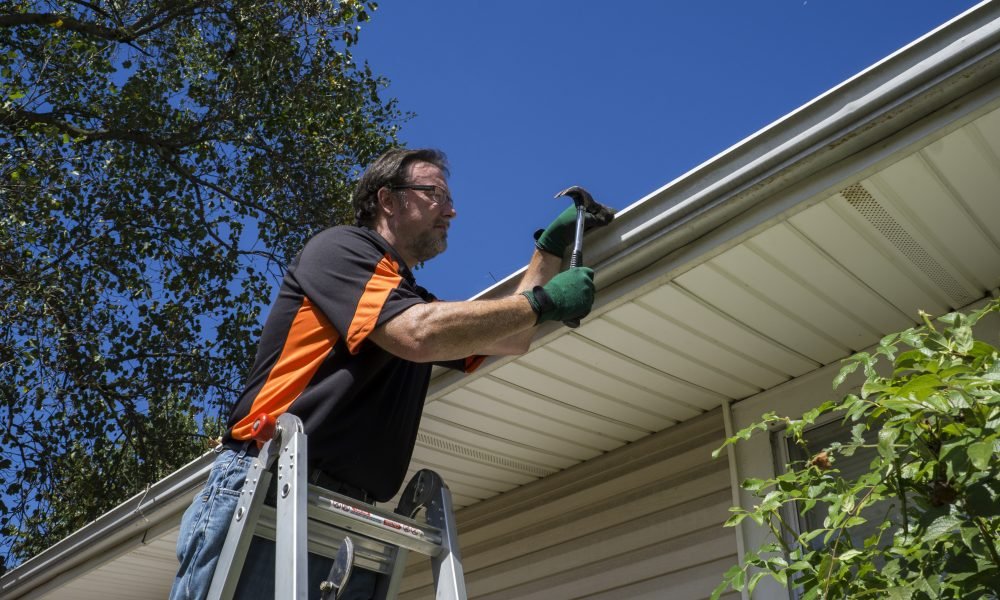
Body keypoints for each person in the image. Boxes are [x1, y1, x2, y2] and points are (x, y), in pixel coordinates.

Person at [169, 148, 607, 600]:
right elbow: (418, 334)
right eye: (435, 193)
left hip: (341, 512)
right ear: (388, 200)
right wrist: (543, 302)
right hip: (265, 487)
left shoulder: (407, 298)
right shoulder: (340, 249)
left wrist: (547, 253)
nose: (451, 210)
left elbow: (510, 337)